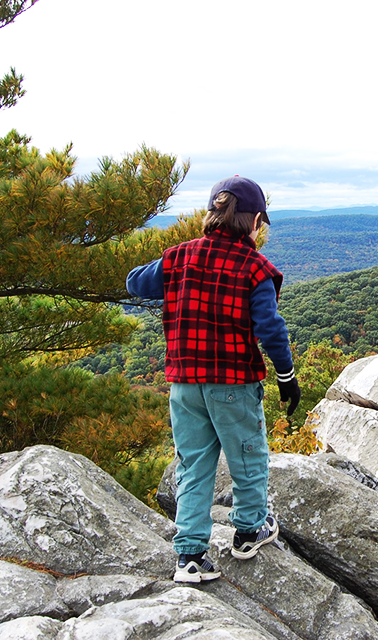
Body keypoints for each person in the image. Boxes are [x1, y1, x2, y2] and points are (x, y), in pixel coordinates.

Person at [126, 175, 301, 583]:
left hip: (184, 384)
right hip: (233, 383)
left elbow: (136, 281)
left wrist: (176, 263)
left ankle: (189, 555)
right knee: (247, 455)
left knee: (193, 464)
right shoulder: (255, 268)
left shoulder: (178, 258)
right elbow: (271, 329)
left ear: (212, 213)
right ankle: (249, 530)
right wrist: (286, 376)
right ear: (255, 220)